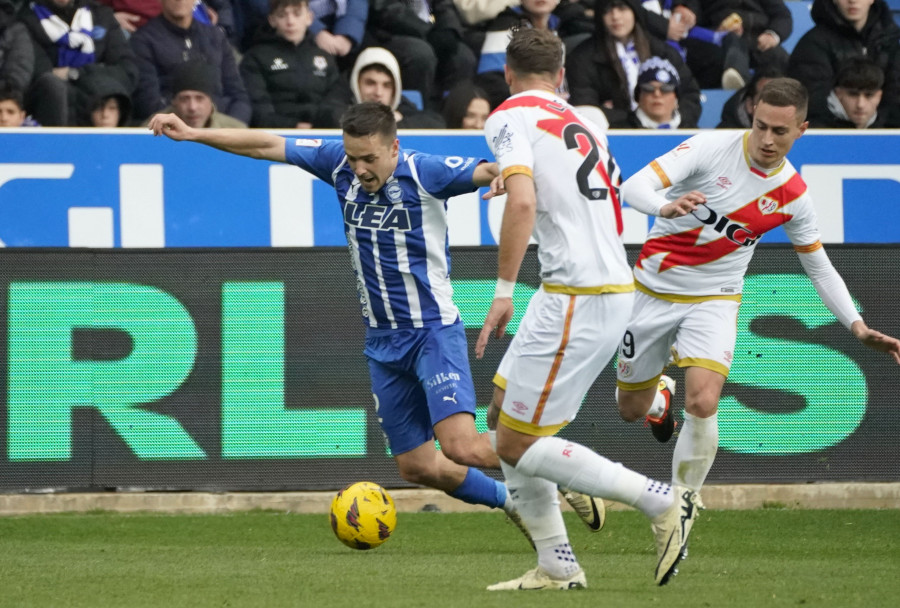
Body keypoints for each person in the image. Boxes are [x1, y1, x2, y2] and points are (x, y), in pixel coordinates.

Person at [148, 100, 603, 549]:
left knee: (461, 447)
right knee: (418, 466)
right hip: (382, 342)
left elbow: (485, 171)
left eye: (369, 158)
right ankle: (513, 502)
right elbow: (267, 143)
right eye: (353, 157)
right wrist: (193, 134)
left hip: (431, 333)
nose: (359, 169)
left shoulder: (425, 172)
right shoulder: (337, 165)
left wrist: (508, 171)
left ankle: (567, 472)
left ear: (393, 148)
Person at [476, 26, 700, 591]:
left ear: (508, 72)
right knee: (502, 413)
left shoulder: (507, 116)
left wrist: (503, 291)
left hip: (581, 293)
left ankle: (659, 501)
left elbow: (524, 198)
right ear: (560, 76)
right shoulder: (586, 124)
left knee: (515, 444)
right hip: (585, 286)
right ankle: (556, 565)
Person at [614, 78, 900, 504]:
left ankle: (681, 506)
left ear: (801, 129)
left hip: (716, 296)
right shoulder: (708, 149)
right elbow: (631, 186)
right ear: (752, 117)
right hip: (652, 289)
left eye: (779, 131)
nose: (766, 139)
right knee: (629, 410)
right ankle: (659, 399)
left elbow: (818, 267)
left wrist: (857, 327)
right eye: (760, 126)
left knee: (704, 401)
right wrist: (664, 206)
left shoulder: (793, 196)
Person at [566, 0, 700, 129]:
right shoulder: (582, 57)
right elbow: (585, 109)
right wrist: (634, 120)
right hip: (612, 137)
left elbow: (690, 94)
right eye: (607, 10)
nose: (615, 16)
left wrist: (670, 120)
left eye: (622, 8)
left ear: (635, 11)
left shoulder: (661, 51)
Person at [129, 0, 251, 123]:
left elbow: (239, 97)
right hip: (169, 133)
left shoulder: (216, 37)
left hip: (220, 129)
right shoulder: (143, 41)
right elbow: (148, 103)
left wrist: (229, 127)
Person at [19, 0, 138, 126]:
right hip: (56, 111)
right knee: (52, 84)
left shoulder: (102, 16)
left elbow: (128, 71)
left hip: (100, 106)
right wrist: (99, 69)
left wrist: (76, 73)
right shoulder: (26, 20)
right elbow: (40, 72)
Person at [788, 0, 900, 128]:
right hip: (829, 136)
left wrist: (877, 129)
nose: (852, 1)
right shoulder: (812, 44)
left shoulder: (890, 42)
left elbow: (895, 95)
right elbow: (812, 103)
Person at [239, 0, 350, 128]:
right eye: (282, 15)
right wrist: (293, 126)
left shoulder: (326, 58)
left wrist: (318, 126)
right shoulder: (255, 57)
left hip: (322, 135)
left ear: (309, 18)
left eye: (297, 14)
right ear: (272, 20)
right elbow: (258, 110)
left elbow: (335, 103)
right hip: (276, 137)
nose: (290, 22)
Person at [366, 0, 475, 109]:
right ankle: (415, 112)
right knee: (421, 55)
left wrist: (449, 29)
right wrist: (426, 31)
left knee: (463, 57)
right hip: (389, 33)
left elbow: (444, 5)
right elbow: (383, 7)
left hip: (429, 29)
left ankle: (454, 114)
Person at [677, 0, 793, 90]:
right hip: (721, 42)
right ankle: (738, 82)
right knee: (728, 47)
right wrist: (716, 32)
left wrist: (772, 34)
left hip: (758, 40)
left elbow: (782, 15)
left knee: (780, 58)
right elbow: (692, 18)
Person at [349, 46, 445, 128]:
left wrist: (395, 123)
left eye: (386, 86)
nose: (378, 92)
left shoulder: (402, 107)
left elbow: (436, 123)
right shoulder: (339, 103)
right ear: (356, 83)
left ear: (395, 89)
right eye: (370, 83)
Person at [147, 60, 247, 127]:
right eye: (184, 99)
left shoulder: (236, 132)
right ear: (174, 101)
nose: (192, 107)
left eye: (200, 98)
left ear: (211, 101)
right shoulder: (150, 131)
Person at [610, 55, 692, 128]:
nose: (657, 94)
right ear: (638, 96)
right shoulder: (618, 131)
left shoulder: (693, 134)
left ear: (676, 96)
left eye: (665, 89)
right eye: (648, 89)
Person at [811, 56, 886, 128]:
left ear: (879, 96)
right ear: (838, 94)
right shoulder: (814, 131)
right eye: (853, 94)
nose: (860, 105)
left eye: (869, 95)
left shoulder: (891, 130)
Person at [716, 63, 782, 128]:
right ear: (750, 105)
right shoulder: (725, 136)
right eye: (766, 100)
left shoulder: (791, 133)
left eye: (781, 101)